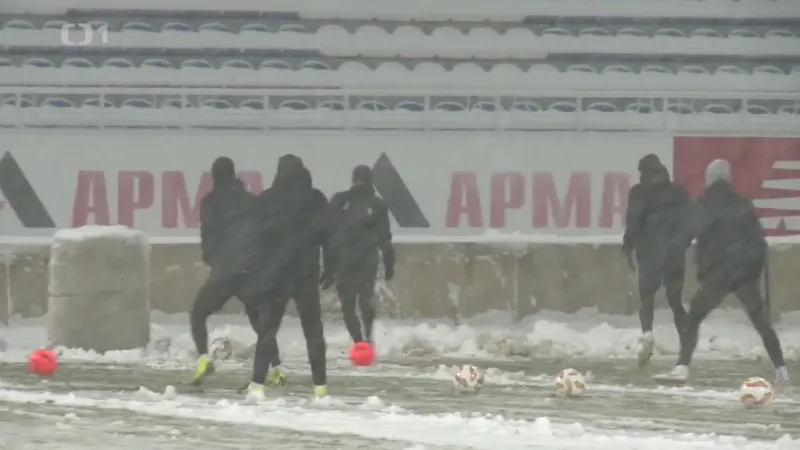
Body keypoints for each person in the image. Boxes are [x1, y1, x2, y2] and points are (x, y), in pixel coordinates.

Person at [654, 160, 790, 387]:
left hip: (719, 273)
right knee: (761, 322)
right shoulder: (743, 204)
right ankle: (781, 370)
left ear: (709, 178)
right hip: (744, 273)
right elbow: (758, 240)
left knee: (693, 318)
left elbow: (685, 235)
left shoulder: (704, 204)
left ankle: (682, 367)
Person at [242, 156, 331, 400]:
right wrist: (331, 268)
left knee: (268, 330)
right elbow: (328, 235)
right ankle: (320, 388)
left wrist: (253, 270)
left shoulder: (268, 200)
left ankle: (257, 384)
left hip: (276, 274)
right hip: (306, 272)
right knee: (313, 330)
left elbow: (254, 239)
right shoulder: (316, 199)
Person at [189, 156, 258, 385]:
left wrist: (211, 258)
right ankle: (276, 370)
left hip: (224, 271)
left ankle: (203, 359)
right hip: (248, 270)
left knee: (198, 314)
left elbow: (207, 234)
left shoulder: (210, 201)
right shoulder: (250, 200)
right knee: (261, 322)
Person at [622, 154, 692, 368]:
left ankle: (647, 335)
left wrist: (628, 246)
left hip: (649, 252)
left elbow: (633, 221)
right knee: (675, 299)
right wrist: (681, 244)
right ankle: (686, 340)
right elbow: (691, 221)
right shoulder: (678, 193)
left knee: (647, 298)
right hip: (674, 254)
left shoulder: (639, 193)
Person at [327, 165, 395, 351]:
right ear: (371, 181)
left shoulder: (339, 200)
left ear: (353, 179)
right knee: (365, 299)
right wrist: (389, 266)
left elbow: (327, 234)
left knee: (348, 305)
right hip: (366, 259)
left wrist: (328, 267)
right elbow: (385, 240)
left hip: (344, 259)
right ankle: (368, 335)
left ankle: (359, 343)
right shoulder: (377, 204)